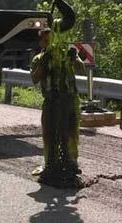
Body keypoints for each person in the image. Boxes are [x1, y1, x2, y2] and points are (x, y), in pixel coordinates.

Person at [30, 27, 84, 185]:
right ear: (41, 42)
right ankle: (50, 164)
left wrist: (74, 57)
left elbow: (81, 70)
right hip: (51, 102)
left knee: (71, 134)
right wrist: (44, 62)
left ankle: (72, 164)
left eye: (51, 40)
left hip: (70, 101)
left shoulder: (65, 56)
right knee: (49, 135)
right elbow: (34, 78)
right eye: (45, 41)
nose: (49, 43)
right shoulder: (38, 58)